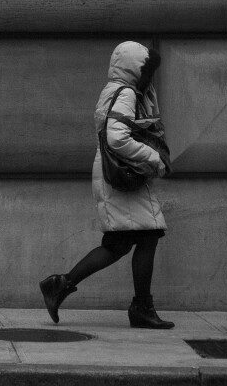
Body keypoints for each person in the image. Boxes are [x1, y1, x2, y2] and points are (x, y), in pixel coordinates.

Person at [39, 41, 173, 329]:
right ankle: (141, 308)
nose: (149, 76)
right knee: (145, 237)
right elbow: (116, 138)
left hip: (114, 174)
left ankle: (60, 285)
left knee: (120, 243)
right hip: (122, 175)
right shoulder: (125, 93)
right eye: (146, 70)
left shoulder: (115, 89)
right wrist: (153, 157)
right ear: (135, 69)